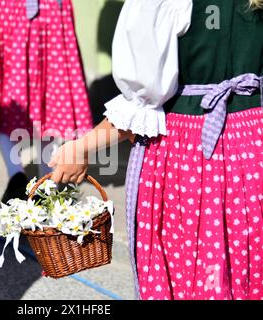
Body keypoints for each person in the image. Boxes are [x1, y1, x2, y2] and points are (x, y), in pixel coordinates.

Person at [49, 0, 263, 300]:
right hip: (254, 143)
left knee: (191, 267)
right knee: (247, 260)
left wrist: (82, 147)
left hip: (188, 151)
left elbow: (143, 102)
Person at [0, 0, 93, 203]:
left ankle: (17, 176)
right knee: (48, 95)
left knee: (0, 90)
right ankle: (46, 185)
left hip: (4, 8)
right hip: (45, 9)